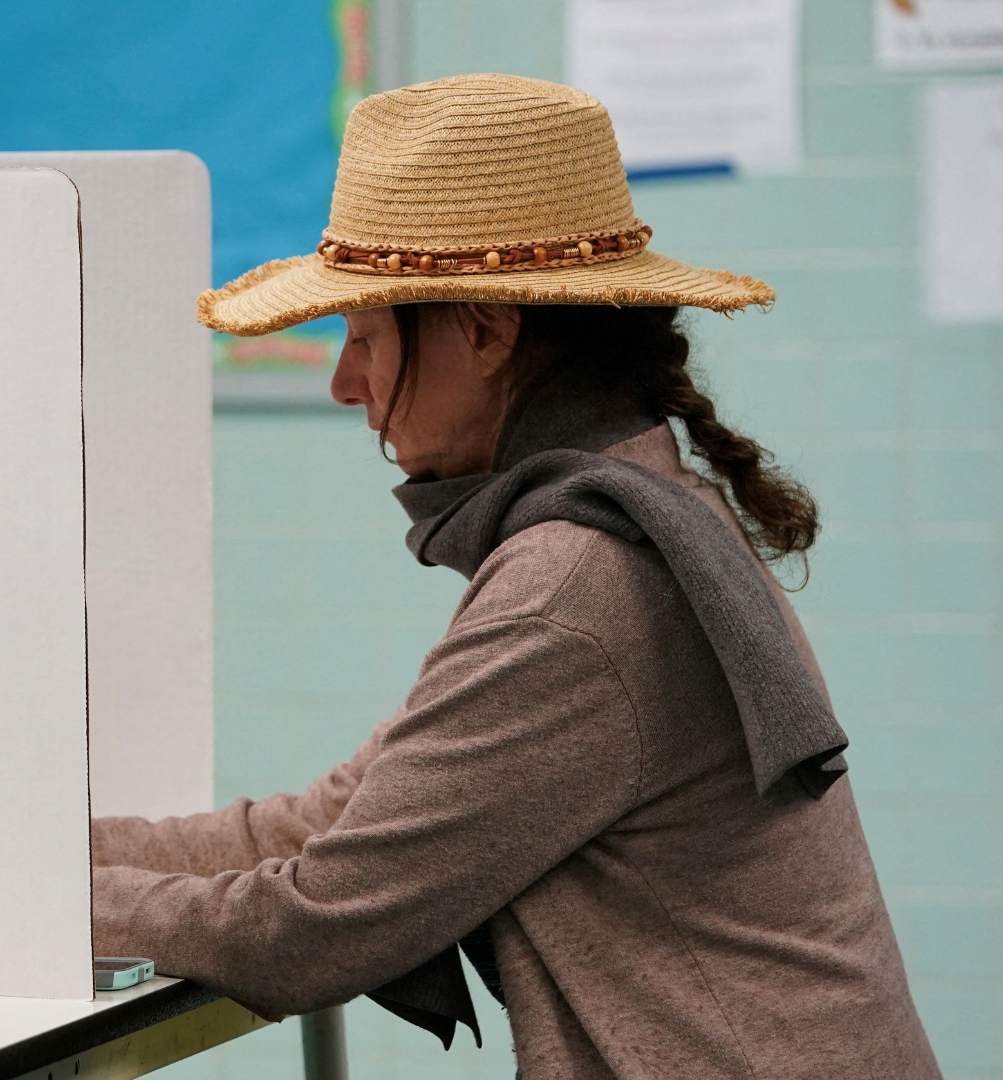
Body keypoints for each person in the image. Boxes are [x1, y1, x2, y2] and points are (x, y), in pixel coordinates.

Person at [90, 74, 941, 1079]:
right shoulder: (632, 517)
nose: (343, 382)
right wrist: (49, 853)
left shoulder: (573, 587)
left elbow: (309, 927)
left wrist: (28, 895)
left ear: (486, 332)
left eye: (365, 335)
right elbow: (332, 825)